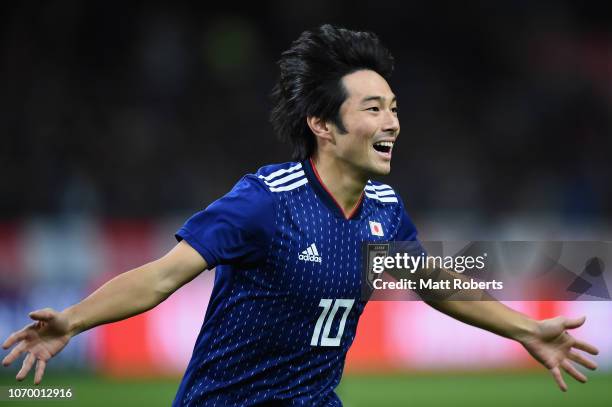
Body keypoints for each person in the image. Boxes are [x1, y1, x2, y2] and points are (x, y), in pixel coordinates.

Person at [1, 24, 599, 406]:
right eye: (372, 107)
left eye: (394, 107)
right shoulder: (266, 200)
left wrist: (526, 329)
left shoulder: (386, 210)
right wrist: (73, 321)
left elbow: (433, 285)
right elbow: (161, 275)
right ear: (323, 126)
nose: (392, 122)